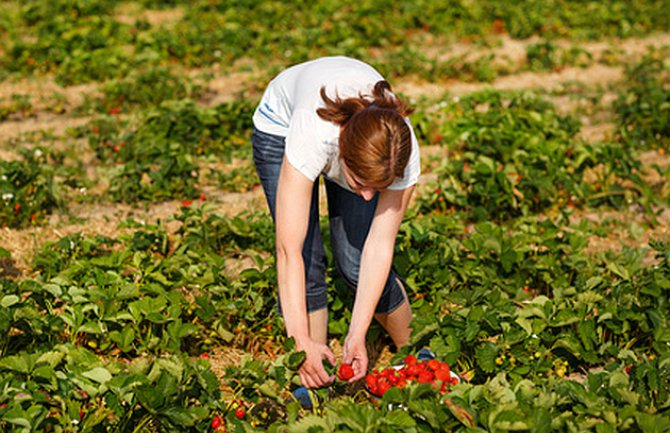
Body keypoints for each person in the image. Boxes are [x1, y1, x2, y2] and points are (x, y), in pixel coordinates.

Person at [251, 56, 420, 389]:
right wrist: (299, 342)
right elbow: (290, 252)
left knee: (356, 260)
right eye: (360, 183)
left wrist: (357, 334)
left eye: (380, 188)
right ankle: (312, 373)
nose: (370, 197)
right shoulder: (313, 136)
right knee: (308, 259)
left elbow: (379, 247)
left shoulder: (399, 149)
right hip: (279, 125)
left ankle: (417, 354)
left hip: (360, 139)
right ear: (343, 153)